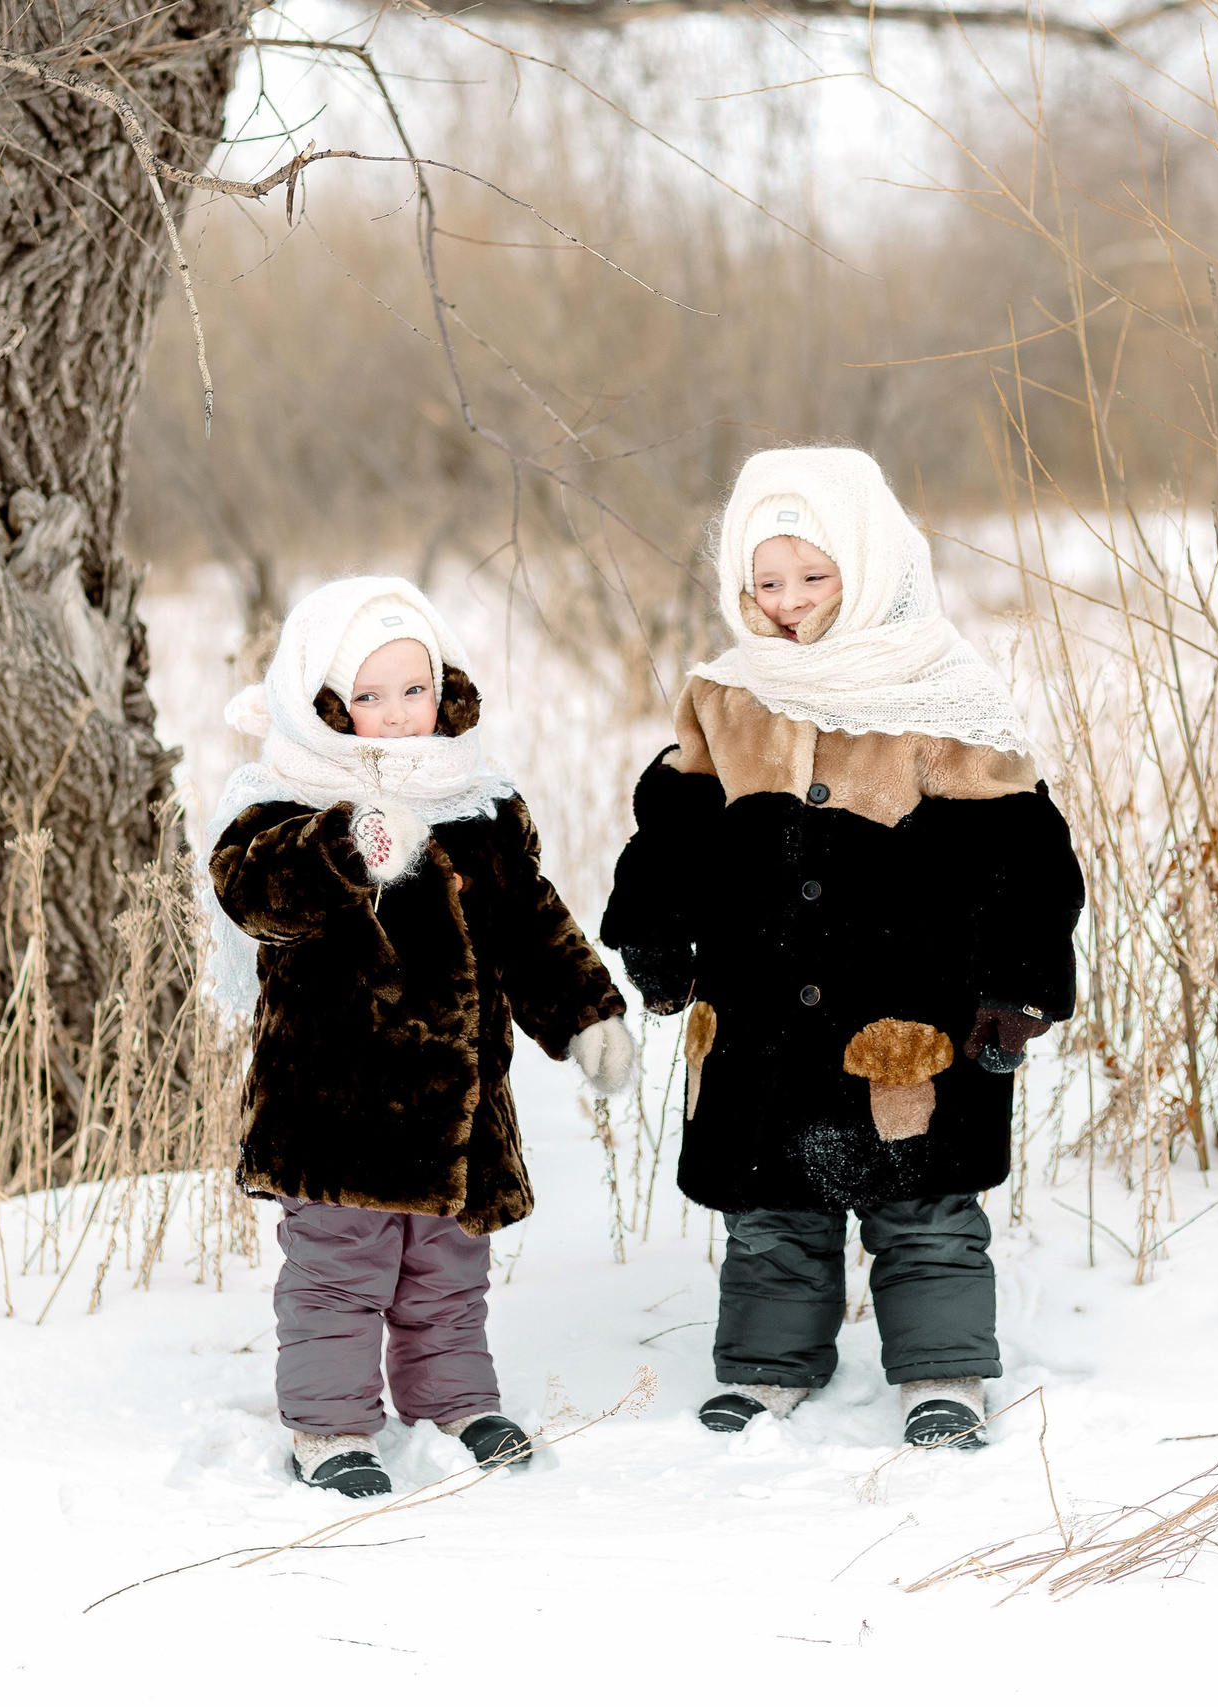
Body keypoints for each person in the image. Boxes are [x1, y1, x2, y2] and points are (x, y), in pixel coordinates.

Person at [601, 447, 1084, 1450]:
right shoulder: (726, 696)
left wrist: (1020, 984)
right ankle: (768, 1367)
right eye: (764, 583)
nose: (786, 604)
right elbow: (673, 831)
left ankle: (942, 1373)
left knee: (924, 1204)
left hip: (909, 1009)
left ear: (867, 569)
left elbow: (1023, 853)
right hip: (759, 1009)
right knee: (770, 1204)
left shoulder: (942, 694)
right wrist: (653, 929)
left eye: (812, 579)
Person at [208, 576, 638, 1498]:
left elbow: (534, 927)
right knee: (338, 1271)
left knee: (447, 1269)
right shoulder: (283, 804)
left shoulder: (478, 807)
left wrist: (586, 1013)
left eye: (416, 690)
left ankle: (454, 1399)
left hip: (459, 1108)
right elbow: (252, 894)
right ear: (323, 703)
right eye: (368, 696)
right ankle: (328, 1426)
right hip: (336, 1110)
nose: (398, 715)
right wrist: (347, 845)